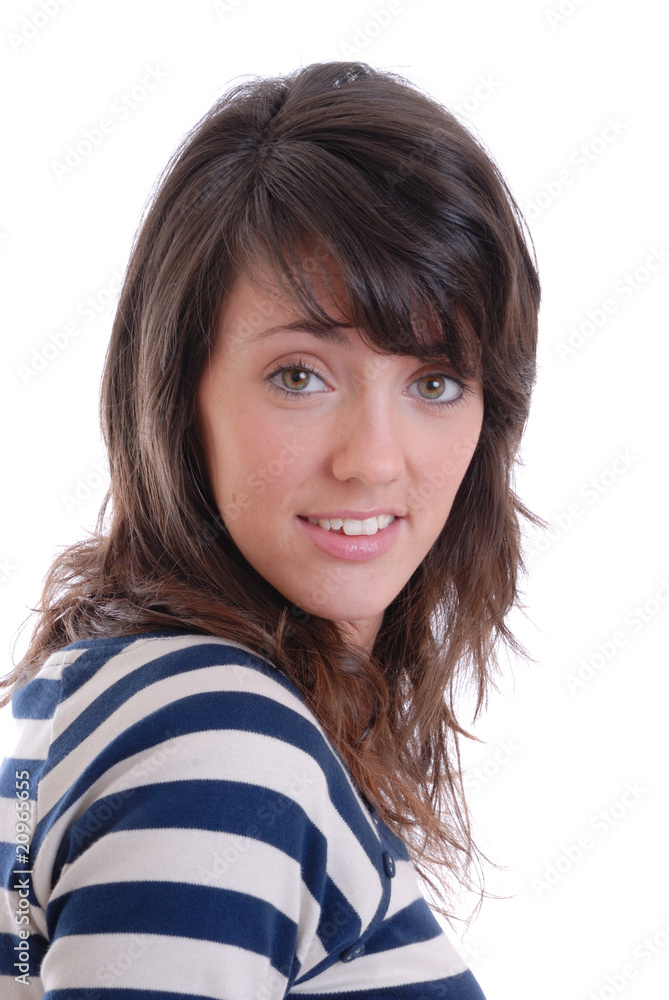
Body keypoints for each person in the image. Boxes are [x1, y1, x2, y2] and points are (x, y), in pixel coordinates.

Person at [0, 60, 540, 997]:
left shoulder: (117, 691)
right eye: (300, 375)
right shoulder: (216, 742)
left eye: (434, 381)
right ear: (178, 393)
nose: (373, 460)